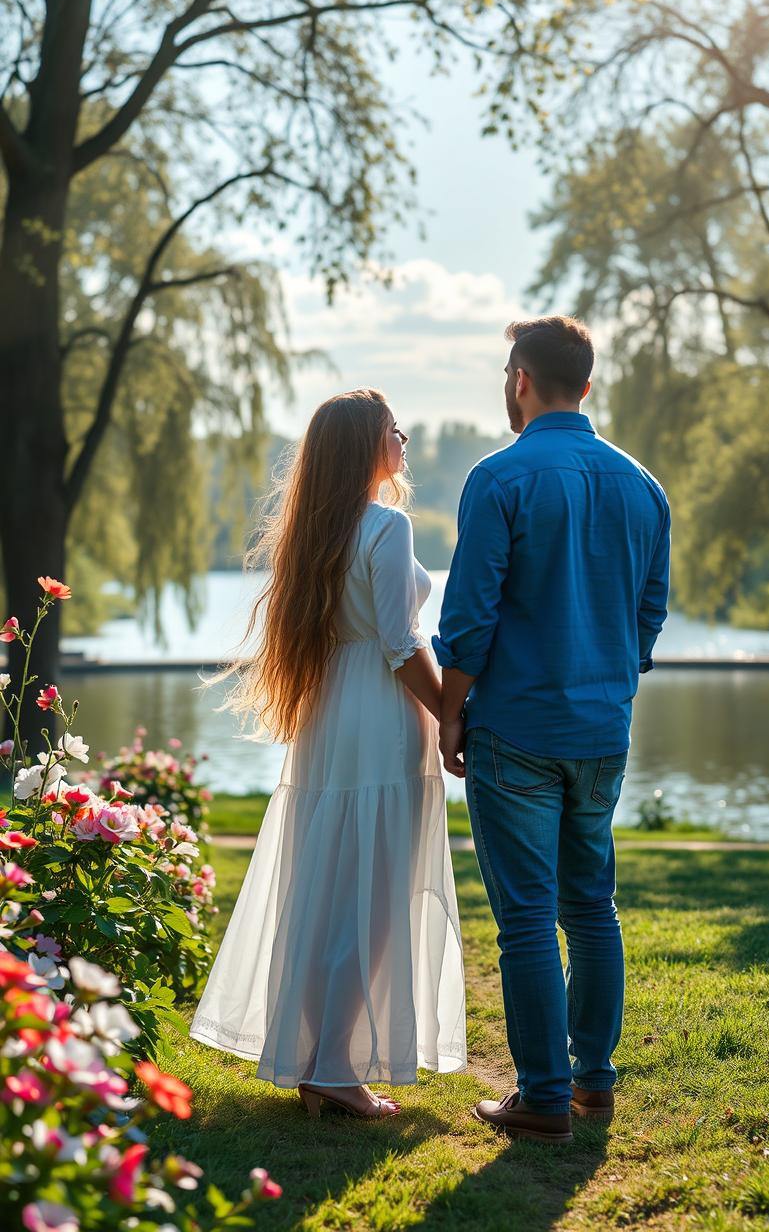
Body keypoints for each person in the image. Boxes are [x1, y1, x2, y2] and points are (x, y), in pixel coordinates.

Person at [191, 389, 466, 1118]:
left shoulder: (312, 532)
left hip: (326, 714)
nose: (403, 438)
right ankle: (336, 1067)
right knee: (375, 897)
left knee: (325, 886)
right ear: (364, 448)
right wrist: (448, 716)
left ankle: (318, 1054)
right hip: (379, 712)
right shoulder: (387, 526)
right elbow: (402, 643)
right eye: (391, 430)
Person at [433, 315, 670, 1143]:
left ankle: (541, 1096)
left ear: (522, 380)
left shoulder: (499, 478)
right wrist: (608, 677)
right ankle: (592, 1085)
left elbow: (467, 619)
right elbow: (649, 615)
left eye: (507, 374)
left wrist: (448, 712)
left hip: (517, 729)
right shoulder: (643, 487)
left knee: (530, 918)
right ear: (589, 385)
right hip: (602, 730)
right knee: (591, 908)